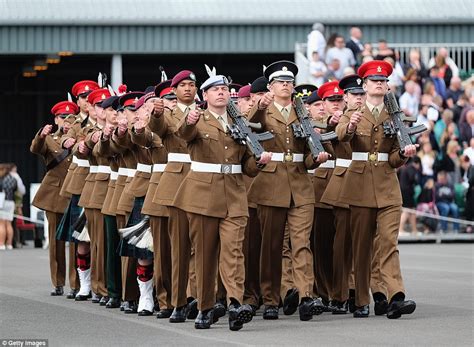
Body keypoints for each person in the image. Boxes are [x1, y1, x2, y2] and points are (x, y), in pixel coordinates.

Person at [173, 70, 272, 331]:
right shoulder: (197, 119)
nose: (221, 93)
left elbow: (247, 166)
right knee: (205, 254)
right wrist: (190, 119)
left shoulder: (239, 122)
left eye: (225, 89)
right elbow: (183, 134)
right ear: (204, 95)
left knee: (233, 252)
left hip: (235, 194)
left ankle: (235, 303)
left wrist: (259, 162)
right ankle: (205, 307)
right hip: (203, 195)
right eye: (215, 90)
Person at [248, 60, 330, 321]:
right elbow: (250, 129)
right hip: (271, 184)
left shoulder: (302, 113)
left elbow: (306, 154)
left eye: (289, 82)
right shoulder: (263, 109)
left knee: (301, 243)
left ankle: (306, 295)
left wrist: (315, 160)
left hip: (300, 183)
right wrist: (259, 108)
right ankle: (271, 298)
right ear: (270, 87)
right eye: (281, 82)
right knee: (271, 246)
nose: (286, 86)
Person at [336, 60, 417, 319]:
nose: (380, 85)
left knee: (388, 242)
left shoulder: (395, 114)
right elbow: (340, 135)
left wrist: (403, 154)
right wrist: (349, 126)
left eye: (383, 81)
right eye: (375, 81)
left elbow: (393, 156)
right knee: (361, 246)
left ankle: (396, 295)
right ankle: (361, 298)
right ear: (365, 85)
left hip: (387, 184)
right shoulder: (354, 111)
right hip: (359, 184)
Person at [149, 70, 199, 323]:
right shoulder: (168, 113)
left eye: (192, 85)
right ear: (175, 90)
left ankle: (197, 297)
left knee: (200, 246)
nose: (188, 89)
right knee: (178, 246)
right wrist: (156, 113)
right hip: (178, 181)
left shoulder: (205, 111)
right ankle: (176, 300)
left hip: (203, 180)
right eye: (183, 86)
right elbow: (156, 128)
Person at [30, 100, 78, 295]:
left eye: (70, 117)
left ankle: (76, 284)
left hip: (75, 191)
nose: (66, 121)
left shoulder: (80, 136)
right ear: (56, 119)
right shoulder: (49, 138)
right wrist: (41, 135)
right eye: (62, 117)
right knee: (56, 241)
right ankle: (58, 282)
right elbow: (35, 148)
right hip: (55, 194)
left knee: (77, 241)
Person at [398, 157, 422, 236]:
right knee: (407, 211)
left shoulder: (406, 168)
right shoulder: (411, 168)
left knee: (412, 211)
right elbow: (413, 178)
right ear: (417, 163)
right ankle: (400, 230)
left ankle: (414, 230)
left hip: (406, 192)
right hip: (406, 192)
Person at [0, 164, 17, 250]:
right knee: (9, 224)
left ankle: (1, 244)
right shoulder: (13, 179)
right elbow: (15, 190)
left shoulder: (1, 179)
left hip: (2, 203)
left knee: (2, 224)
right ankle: (9, 244)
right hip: (11, 202)